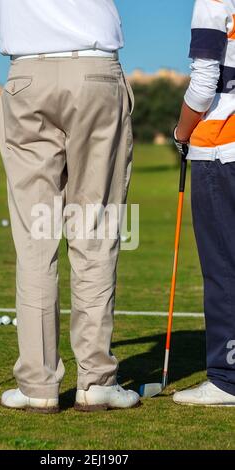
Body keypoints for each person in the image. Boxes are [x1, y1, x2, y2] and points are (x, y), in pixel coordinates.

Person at [0, 0, 139, 412]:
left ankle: (38, 385)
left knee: (37, 238)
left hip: (28, 77)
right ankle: (97, 381)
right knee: (94, 231)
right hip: (97, 74)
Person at [173, 0, 235, 406]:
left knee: (223, 269)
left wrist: (181, 133)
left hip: (221, 148)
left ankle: (227, 378)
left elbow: (203, 82)